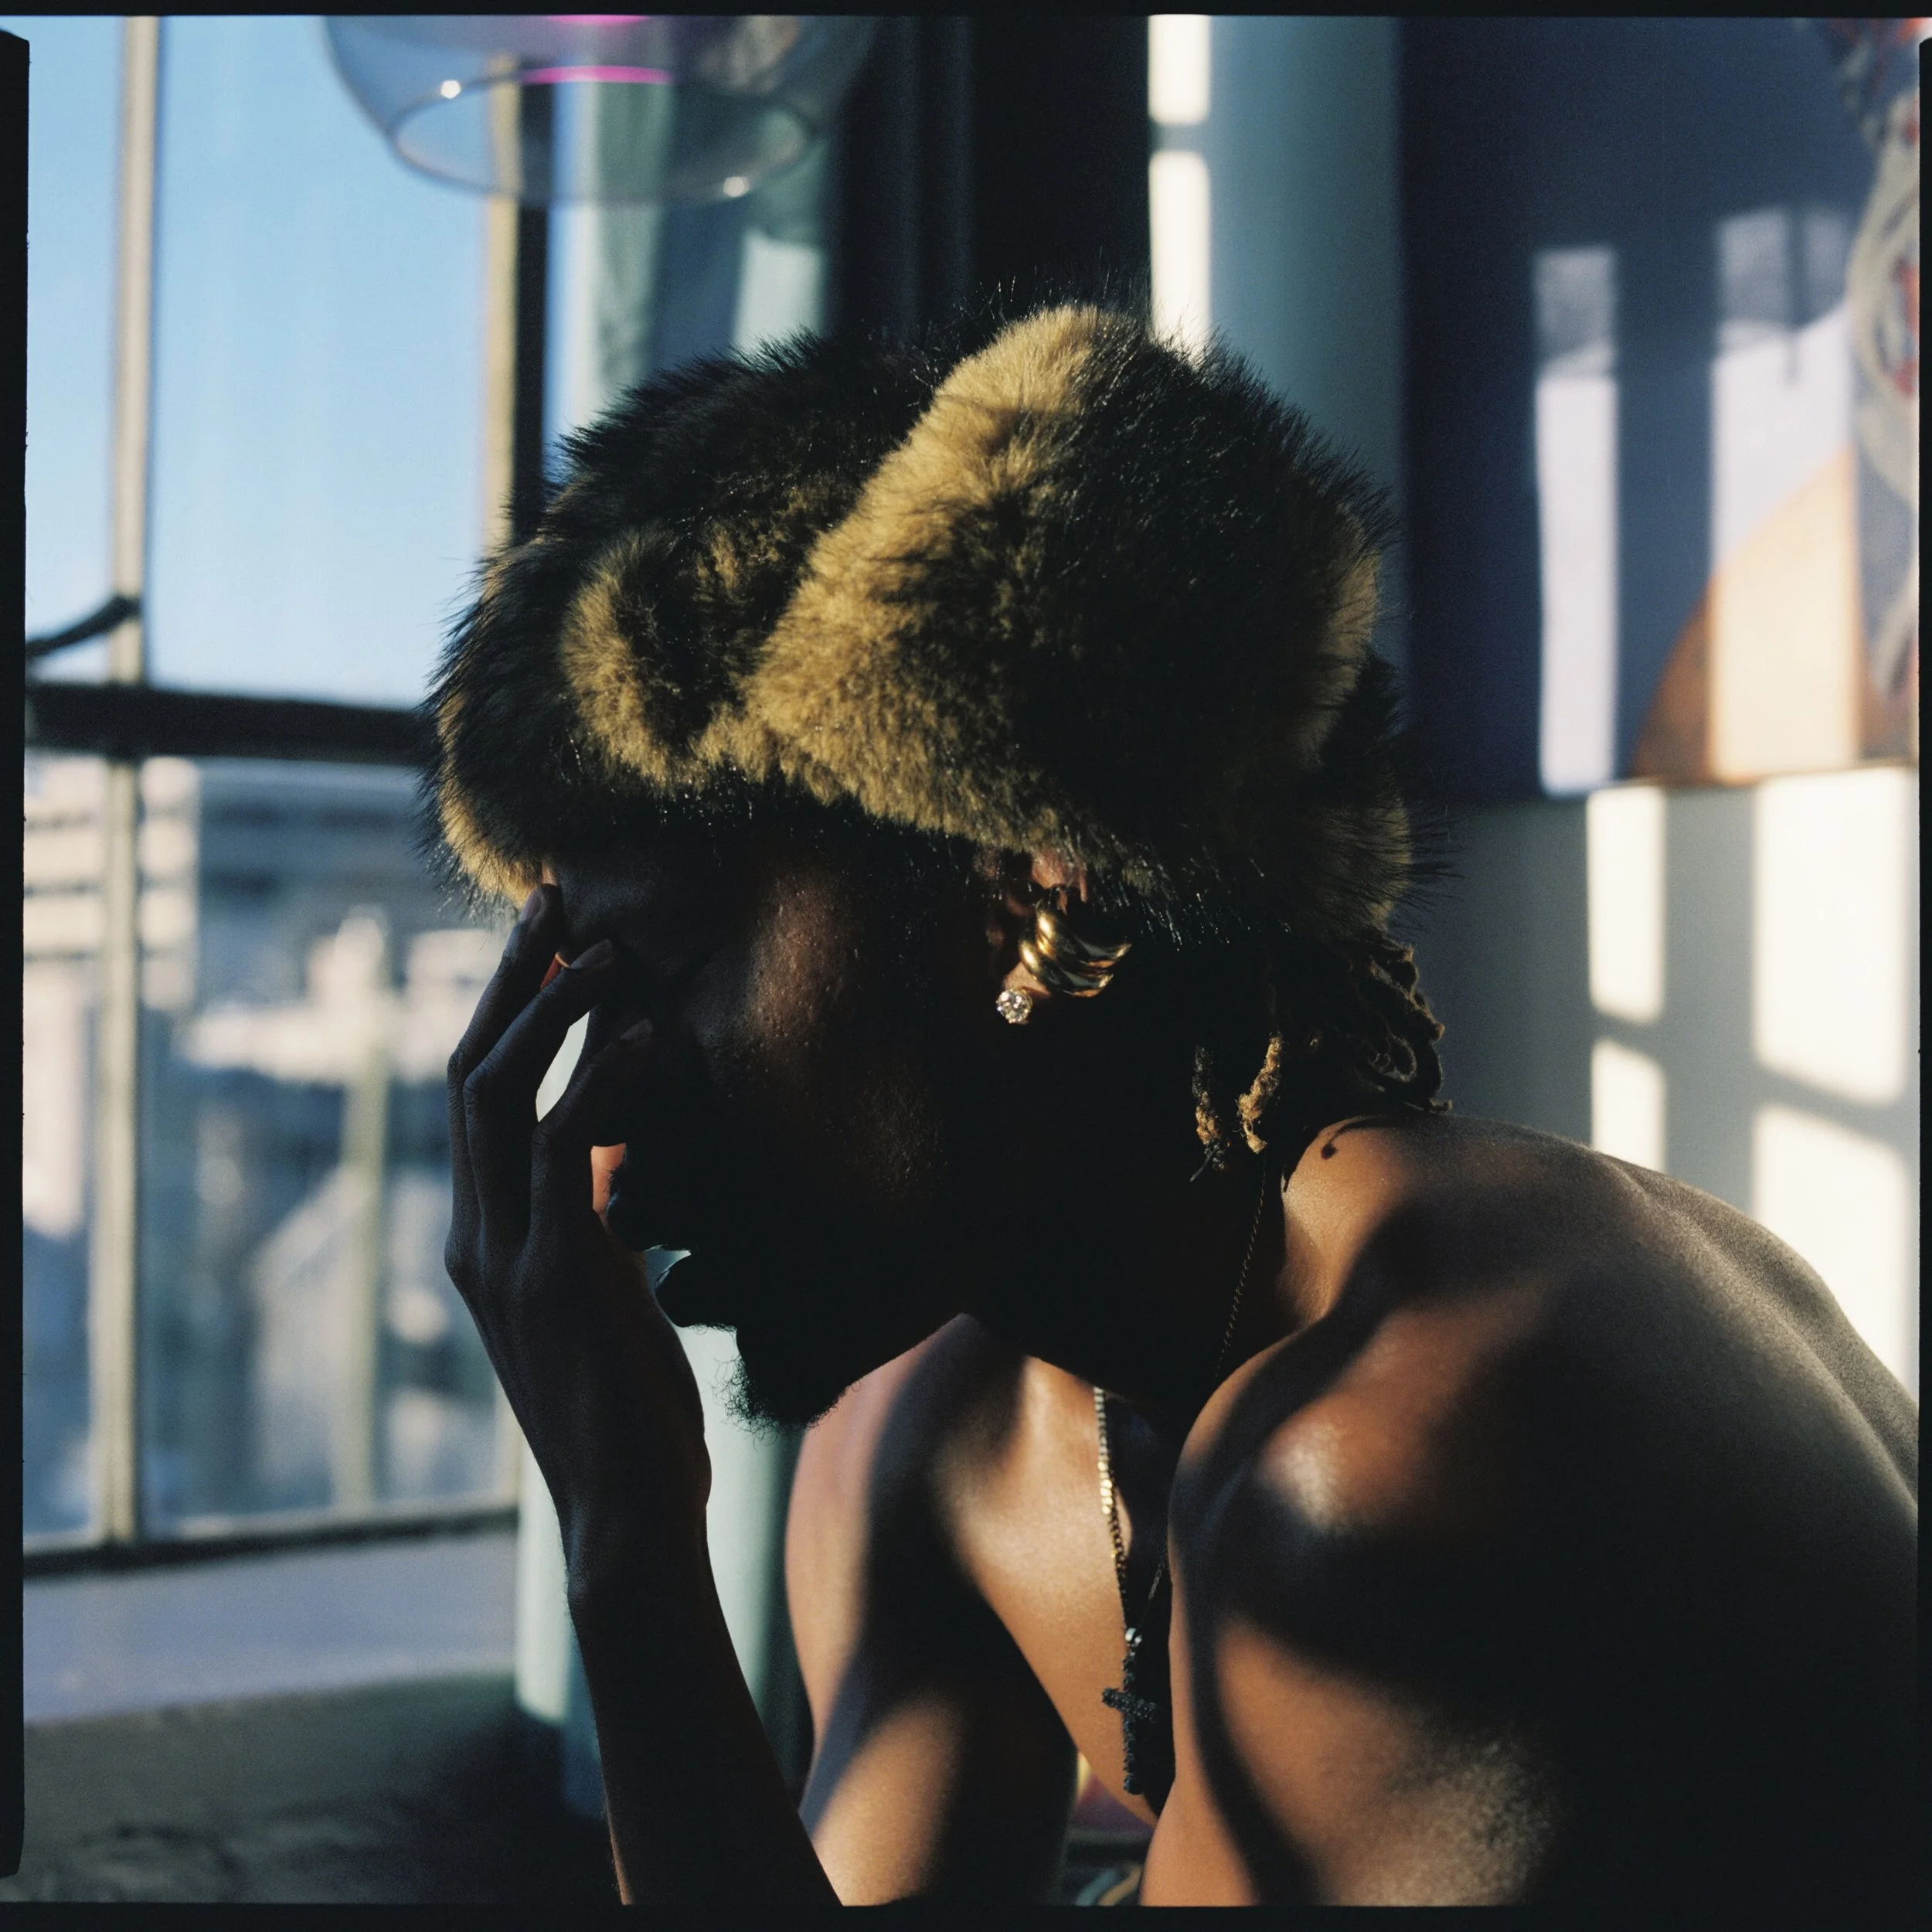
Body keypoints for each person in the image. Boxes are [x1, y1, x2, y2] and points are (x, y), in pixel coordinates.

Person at [434, 305, 1918, 1908]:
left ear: (1024, 877)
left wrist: (630, 1555)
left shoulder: (1419, 1437)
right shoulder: (950, 1438)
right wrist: (626, 1531)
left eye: (659, 973)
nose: (600, 1141)